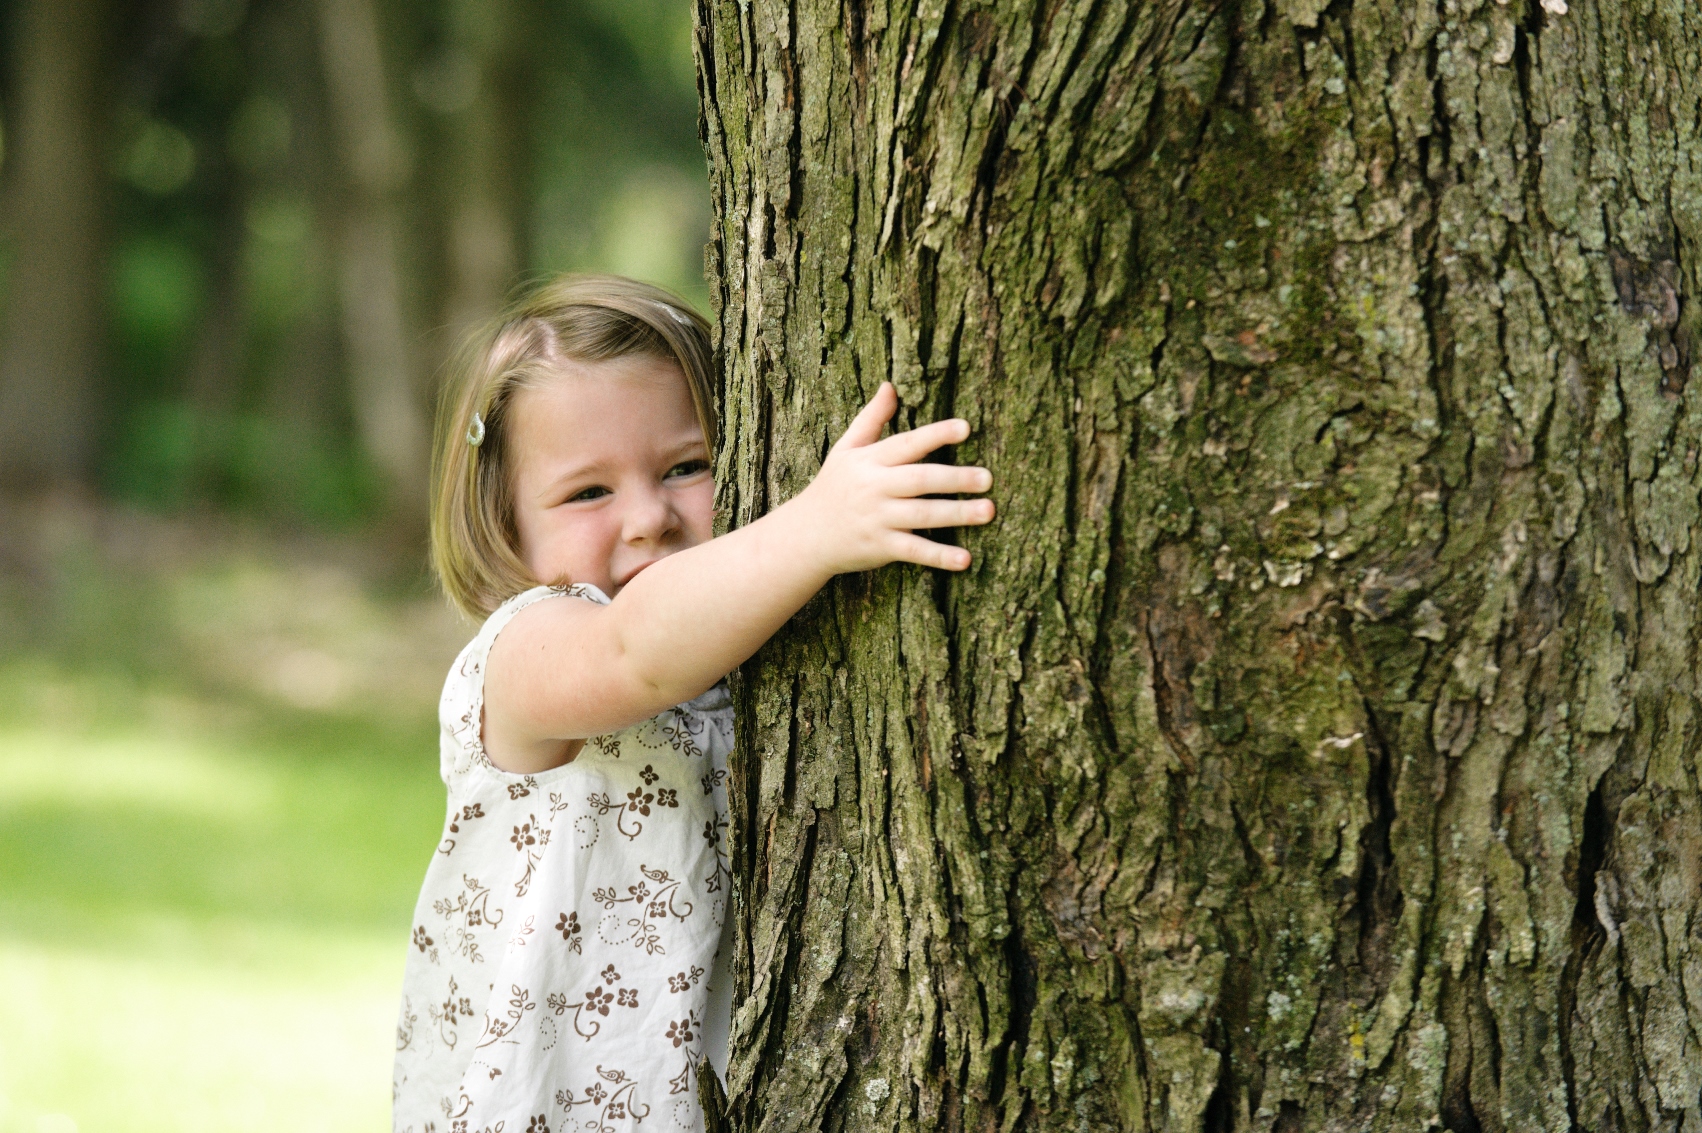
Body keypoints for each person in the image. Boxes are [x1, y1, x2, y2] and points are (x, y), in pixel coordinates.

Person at [392, 274, 995, 1132]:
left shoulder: (740, 650)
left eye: (686, 467)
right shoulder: (524, 654)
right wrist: (816, 528)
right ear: (504, 525)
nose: (648, 517)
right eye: (587, 492)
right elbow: (637, 653)